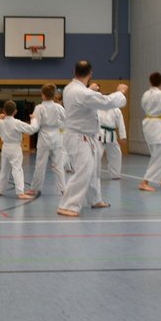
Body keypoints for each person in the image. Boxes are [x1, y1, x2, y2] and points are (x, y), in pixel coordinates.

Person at [57, 62, 128, 217]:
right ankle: (67, 205)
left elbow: (85, 98)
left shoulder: (71, 88)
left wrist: (90, 89)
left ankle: (95, 199)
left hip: (86, 136)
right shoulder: (83, 93)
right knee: (84, 170)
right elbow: (106, 102)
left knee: (94, 169)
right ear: (90, 73)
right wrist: (120, 92)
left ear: (74, 71)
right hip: (79, 137)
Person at [0, 100, 39, 199]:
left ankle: (0, 190)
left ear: (4, 111)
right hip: (15, 148)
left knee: (4, 170)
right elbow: (32, 129)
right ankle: (20, 192)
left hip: (5, 147)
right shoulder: (17, 123)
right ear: (15, 111)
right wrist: (34, 119)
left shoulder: (0, 122)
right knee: (17, 170)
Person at [28, 84, 67, 196]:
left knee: (40, 165)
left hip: (44, 137)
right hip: (57, 137)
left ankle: (34, 189)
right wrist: (60, 127)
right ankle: (64, 189)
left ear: (43, 95)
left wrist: (33, 119)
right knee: (58, 165)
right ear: (54, 95)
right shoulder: (59, 107)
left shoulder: (39, 108)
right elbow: (66, 120)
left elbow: (36, 126)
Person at [97, 102, 127, 180]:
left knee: (116, 154)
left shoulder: (116, 110)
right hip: (99, 134)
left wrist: (123, 136)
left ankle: (115, 174)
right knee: (96, 154)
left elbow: (121, 123)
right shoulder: (97, 108)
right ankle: (93, 174)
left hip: (112, 134)